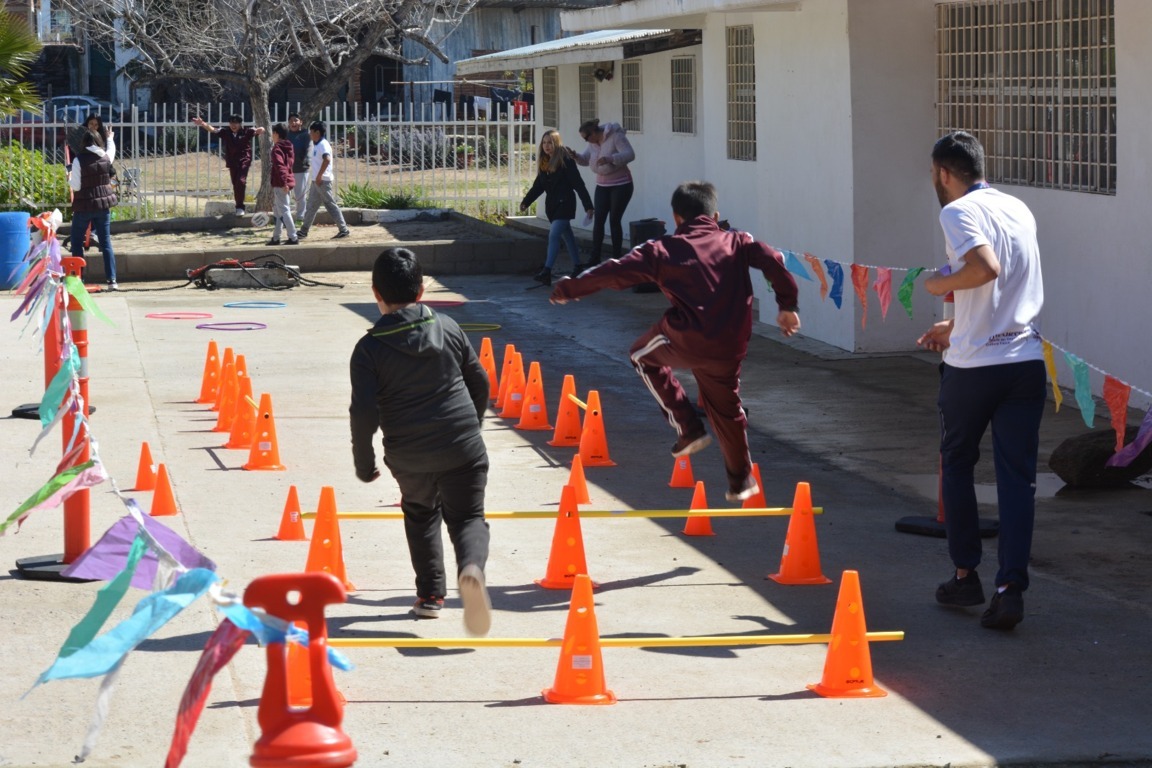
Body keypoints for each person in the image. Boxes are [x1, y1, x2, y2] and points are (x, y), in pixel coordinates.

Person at [550, 181, 801, 502]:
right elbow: (771, 257)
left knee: (641, 355)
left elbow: (614, 272)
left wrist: (570, 288)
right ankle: (741, 480)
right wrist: (788, 305)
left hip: (688, 336)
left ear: (676, 218)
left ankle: (688, 427)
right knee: (727, 410)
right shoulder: (738, 241)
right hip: (729, 346)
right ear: (716, 215)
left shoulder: (662, 249)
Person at [918, 131, 1045, 632]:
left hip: (974, 369)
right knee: (1018, 481)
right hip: (1025, 359)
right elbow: (1008, 283)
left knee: (958, 464)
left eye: (934, 175)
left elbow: (985, 269)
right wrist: (957, 322)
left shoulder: (955, 211)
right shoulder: (1018, 208)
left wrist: (936, 284)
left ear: (944, 173)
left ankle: (965, 574)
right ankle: (1010, 588)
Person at [349, 248, 492, 635]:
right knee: (468, 517)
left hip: (408, 453)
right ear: (422, 290)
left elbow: (363, 413)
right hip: (462, 443)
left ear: (376, 293)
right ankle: (471, 569)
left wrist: (365, 463)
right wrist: (471, 429)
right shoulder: (448, 327)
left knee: (420, 512)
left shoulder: (369, 350)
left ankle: (430, 596)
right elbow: (479, 382)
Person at [519, 129, 594, 286]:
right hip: (552, 207)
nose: (547, 146)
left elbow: (578, 184)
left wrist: (588, 205)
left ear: (557, 143)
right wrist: (526, 201)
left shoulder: (565, 160)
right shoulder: (544, 163)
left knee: (554, 235)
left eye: (550, 143)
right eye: (544, 143)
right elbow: (538, 186)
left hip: (565, 204)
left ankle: (547, 271)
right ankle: (578, 266)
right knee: (568, 235)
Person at [568, 118, 635, 271]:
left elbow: (630, 154)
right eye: (584, 139)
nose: (586, 141)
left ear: (594, 132)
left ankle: (617, 259)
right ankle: (595, 257)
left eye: (587, 137)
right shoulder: (592, 144)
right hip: (602, 185)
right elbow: (585, 159)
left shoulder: (615, 136)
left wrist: (611, 158)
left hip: (621, 184)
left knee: (614, 220)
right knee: (599, 220)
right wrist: (575, 156)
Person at [68, 127, 119, 290]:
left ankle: (79, 279)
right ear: (98, 141)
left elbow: (75, 187)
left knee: (76, 242)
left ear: (83, 143)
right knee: (106, 243)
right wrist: (110, 137)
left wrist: (69, 178)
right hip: (102, 206)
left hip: (83, 206)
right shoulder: (105, 157)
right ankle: (112, 281)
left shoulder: (78, 160)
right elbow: (112, 150)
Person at [191, 114, 265, 215]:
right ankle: (238, 206)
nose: (233, 125)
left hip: (244, 160)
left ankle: (240, 207)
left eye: (236, 123)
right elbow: (212, 129)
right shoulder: (225, 132)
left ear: (240, 124)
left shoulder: (246, 131)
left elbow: (258, 130)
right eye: (231, 123)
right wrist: (202, 123)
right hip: (232, 162)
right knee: (236, 184)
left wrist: (261, 128)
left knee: (241, 181)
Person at [297, 121, 350, 239]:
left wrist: (320, 176)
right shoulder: (316, 144)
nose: (310, 134)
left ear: (317, 132)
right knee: (311, 206)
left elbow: (327, 159)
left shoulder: (323, 145)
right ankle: (303, 231)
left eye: (311, 131)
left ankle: (344, 229)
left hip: (323, 181)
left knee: (330, 205)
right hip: (317, 181)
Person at [266, 123, 298, 246]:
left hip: (281, 184)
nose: (272, 136)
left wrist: (284, 182)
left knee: (284, 211)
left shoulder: (277, 149)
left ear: (276, 134)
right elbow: (288, 165)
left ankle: (293, 237)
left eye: (273, 133)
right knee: (278, 212)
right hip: (287, 182)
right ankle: (276, 237)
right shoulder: (289, 146)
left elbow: (280, 167)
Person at [286, 113, 312, 220]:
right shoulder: (286, 135)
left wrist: (306, 161)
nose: (293, 123)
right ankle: (286, 216)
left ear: (301, 122)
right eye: (291, 120)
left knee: (300, 195)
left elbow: (309, 150)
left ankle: (301, 217)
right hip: (287, 170)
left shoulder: (306, 135)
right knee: (285, 194)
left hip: (301, 169)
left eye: (296, 120)